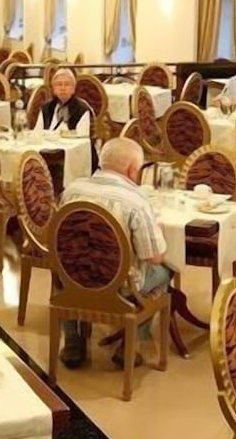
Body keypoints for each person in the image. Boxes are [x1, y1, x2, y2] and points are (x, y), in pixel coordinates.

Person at [58, 137, 171, 370]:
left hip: (73, 280)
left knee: (71, 268)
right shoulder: (135, 200)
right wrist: (158, 232)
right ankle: (130, 345)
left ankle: (73, 344)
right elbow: (154, 257)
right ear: (132, 170)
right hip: (118, 285)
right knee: (164, 272)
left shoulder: (72, 191)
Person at [35, 68, 90, 136]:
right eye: (59, 84)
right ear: (54, 89)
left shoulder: (82, 109)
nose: (63, 88)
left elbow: (82, 137)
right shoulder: (46, 108)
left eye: (67, 84)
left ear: (73, 89)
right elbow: (37, 133)